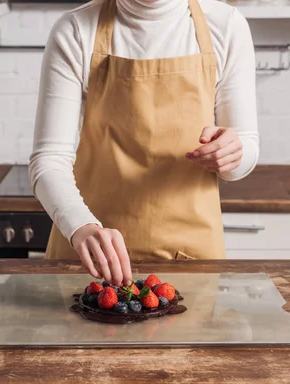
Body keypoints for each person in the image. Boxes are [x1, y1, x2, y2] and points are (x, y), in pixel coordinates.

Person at [29, 0, 259, 287]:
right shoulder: (76, 29)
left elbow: (245, 146)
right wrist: (80, 226)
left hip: (191, 254)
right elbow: (49, 159)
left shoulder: (226, 25)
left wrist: (233, 155)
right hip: (91, 255)